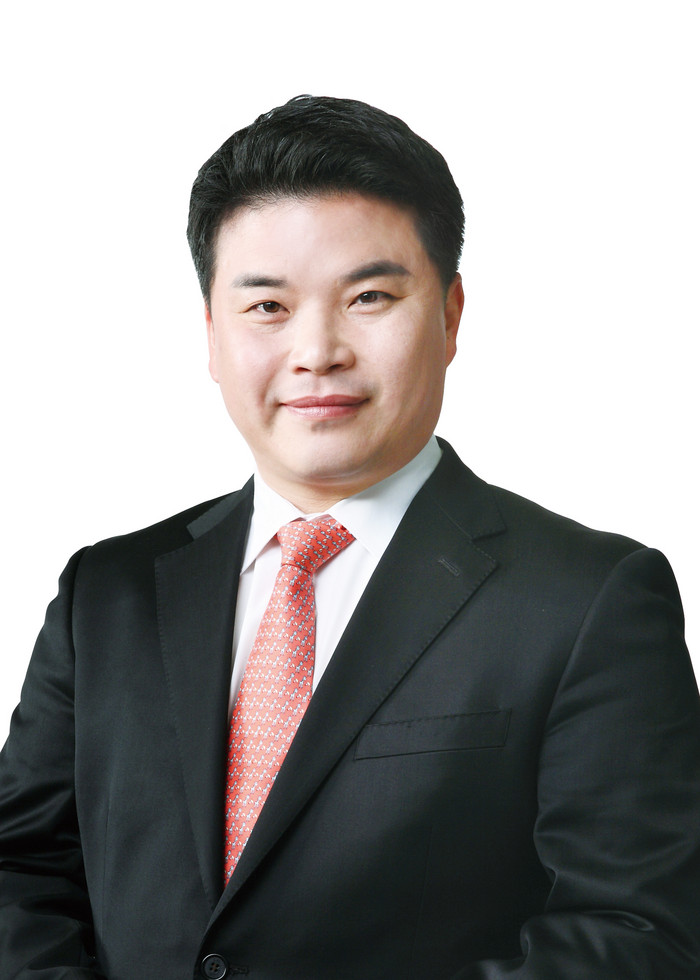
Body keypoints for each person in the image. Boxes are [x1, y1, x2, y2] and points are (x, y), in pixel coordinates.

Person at [0, 95, 699, 980]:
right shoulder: (107, 592)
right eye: (267, 306)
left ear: (450, 315)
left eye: (369, 297)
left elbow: (637, 935)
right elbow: (21, 870)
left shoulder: (588, 600)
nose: (317, 350)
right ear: (210, 334)